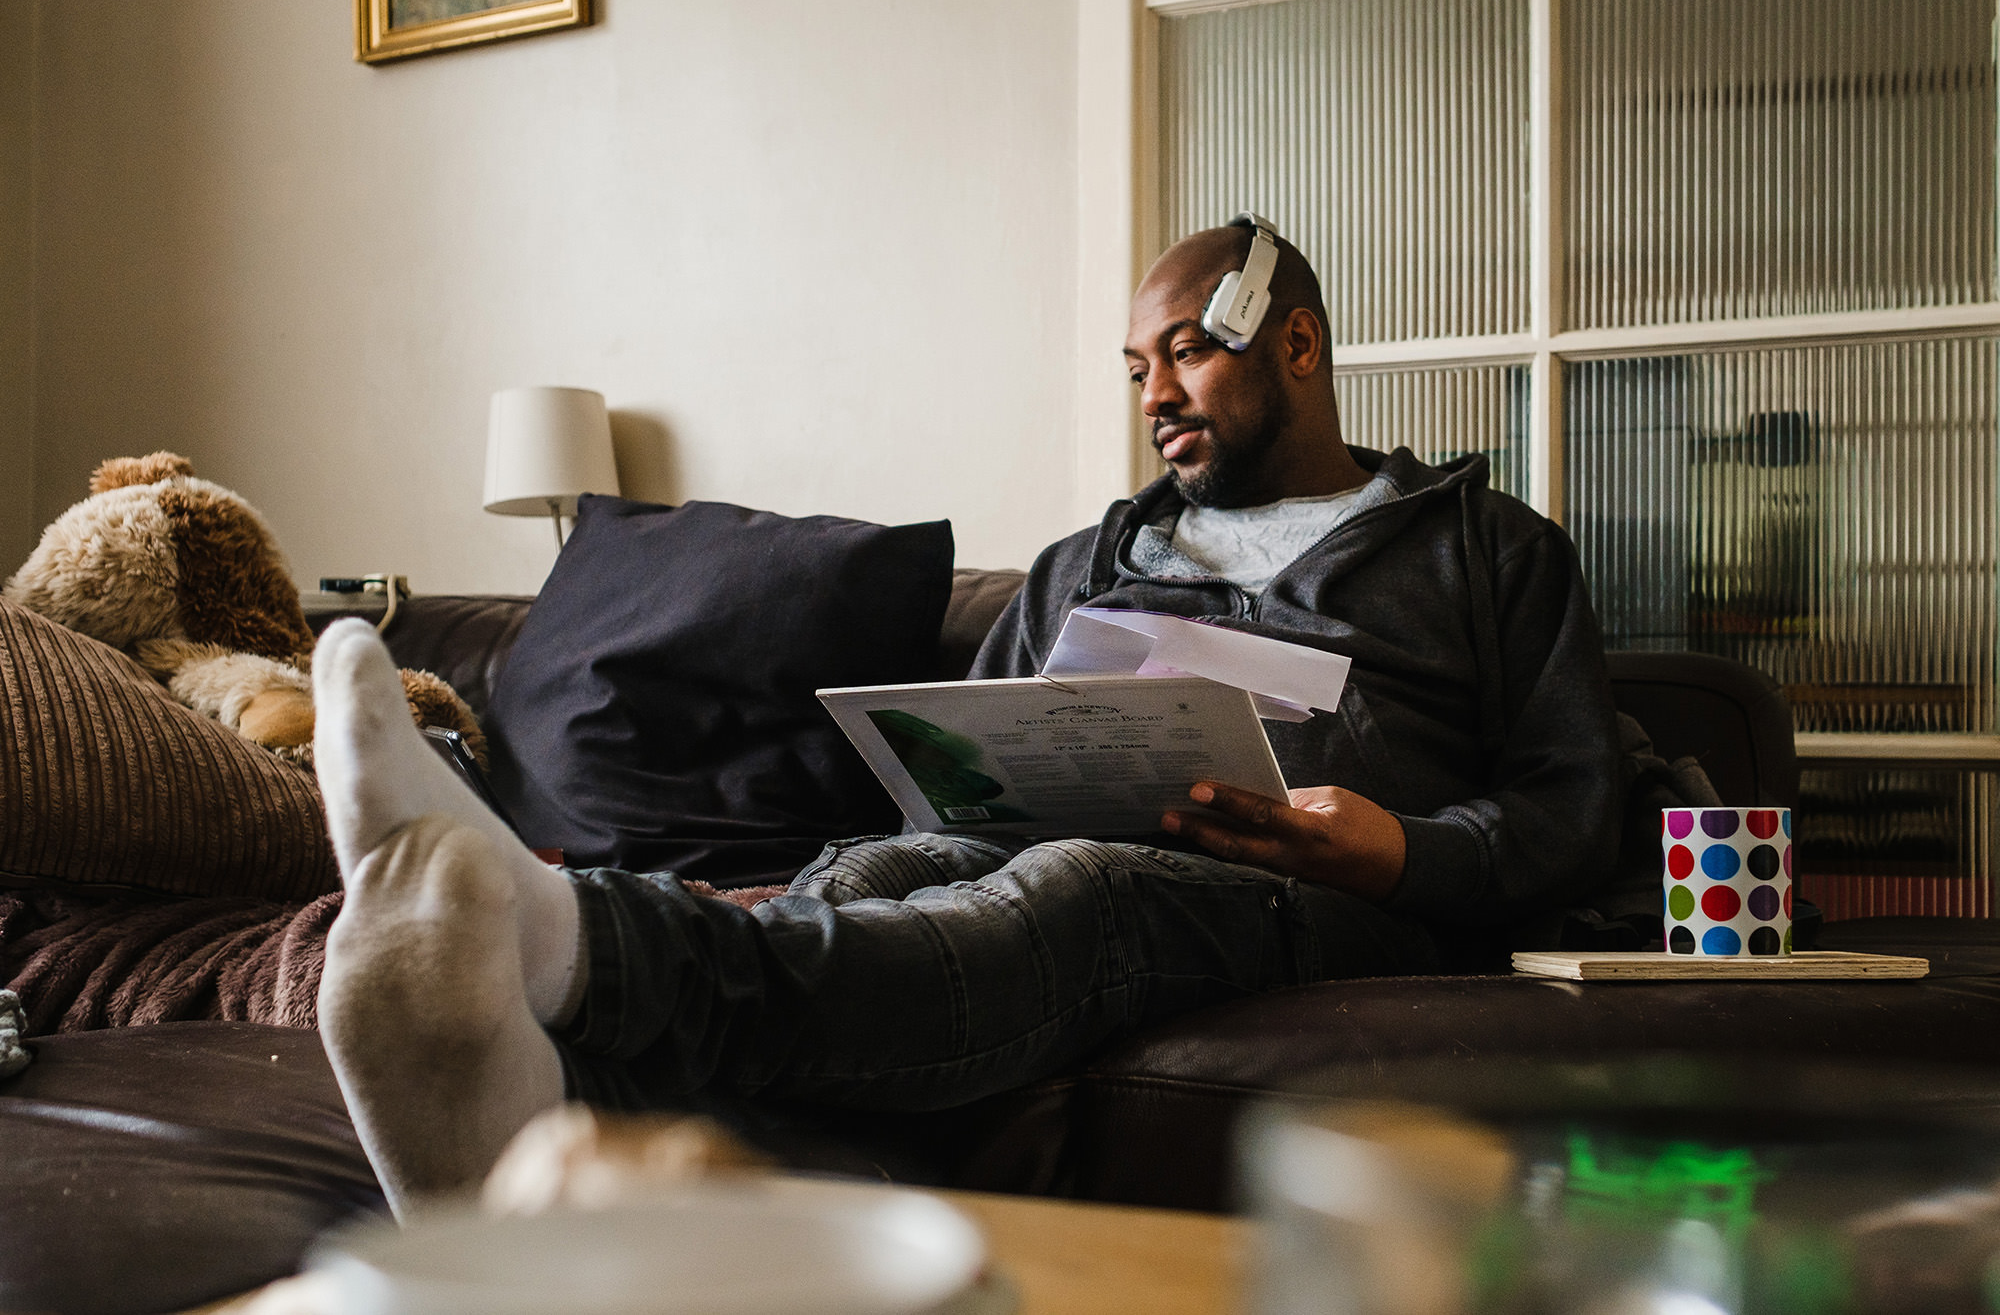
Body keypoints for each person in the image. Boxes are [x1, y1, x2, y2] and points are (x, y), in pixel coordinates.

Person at [310, 220, 1624, 1215]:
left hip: (1314, 888)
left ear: (1295, 344)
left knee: (1079, 887)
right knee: (881, 869)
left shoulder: (1489, 550)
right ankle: (538, 1105)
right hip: (1047, 839)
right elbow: (944, 772)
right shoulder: (1083, 563)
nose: (1155, 394)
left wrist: (1396, 844)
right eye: (1134, 368)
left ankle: (568, 936)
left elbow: (1574, 812)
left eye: (1185, 351)